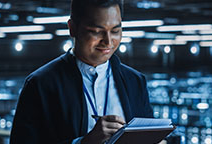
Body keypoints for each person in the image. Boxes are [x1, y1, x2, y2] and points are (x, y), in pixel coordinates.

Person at [10, 0, 154, 143]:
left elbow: (150, 135)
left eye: (115, 31)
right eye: (97, 32)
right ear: (72, 28)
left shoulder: (135, 81)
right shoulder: (40, 84)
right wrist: (84, 142)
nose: (108, 41)